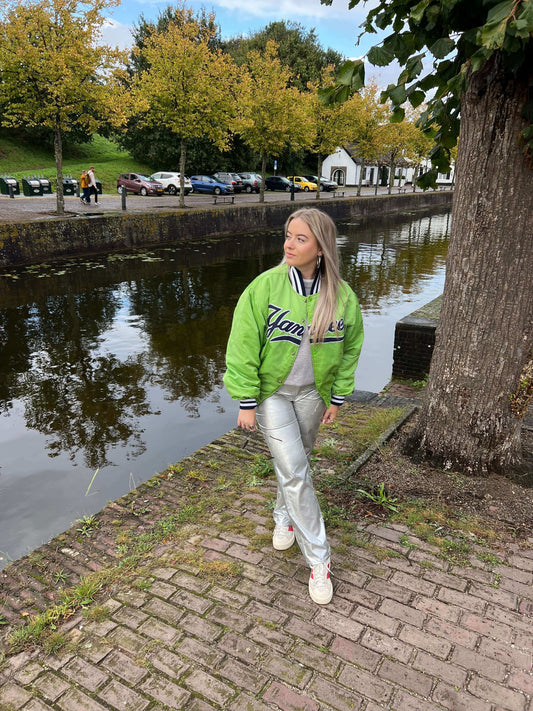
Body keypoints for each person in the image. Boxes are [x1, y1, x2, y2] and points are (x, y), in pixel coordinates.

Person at [224, 208, 364, 605]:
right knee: (297, 472)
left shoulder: (342, 295)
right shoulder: (264, 288)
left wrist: (337, 395)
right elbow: (242, 345)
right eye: (288, 235)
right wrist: (247, 401)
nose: (288, 244)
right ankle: (320, 560)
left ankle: (284, 516)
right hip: (272, 394)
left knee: (296, 464)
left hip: (312, 394)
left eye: (300, 238)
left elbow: (351, 346)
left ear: (321, 248)